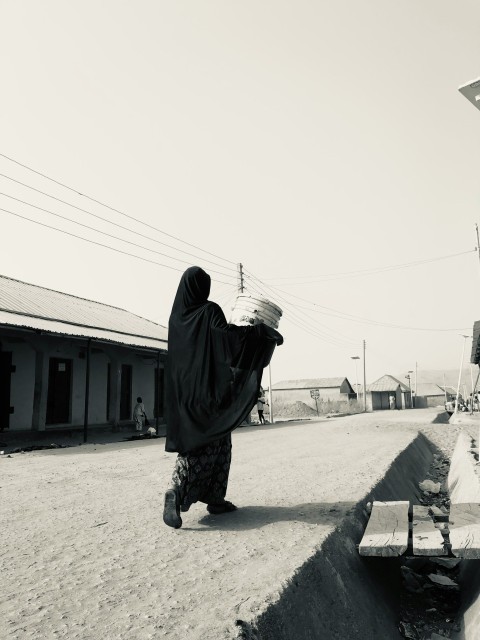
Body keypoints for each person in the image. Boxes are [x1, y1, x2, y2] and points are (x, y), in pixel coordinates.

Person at [163, 266, 283, 529]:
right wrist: (260, 333)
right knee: (206, 446)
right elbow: (229, 340)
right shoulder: (209, 311)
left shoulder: (176, 319)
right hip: (209, 394)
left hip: (183, 397)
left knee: (210, 442)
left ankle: (215, 498)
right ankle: (177, 492)